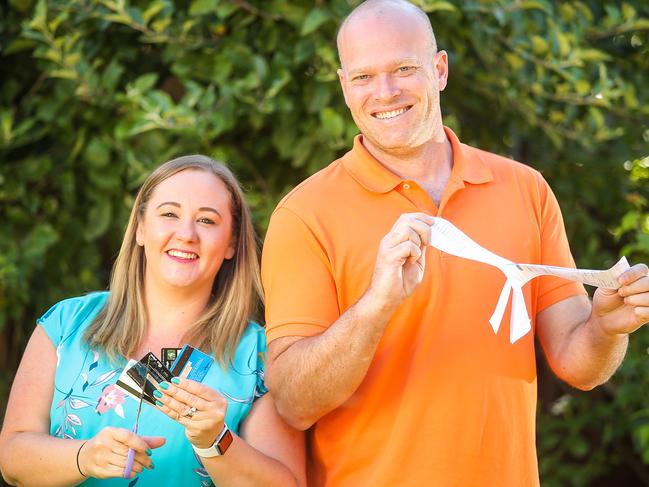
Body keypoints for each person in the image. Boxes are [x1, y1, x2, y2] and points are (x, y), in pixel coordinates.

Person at [260, 1, 649, 486]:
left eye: (403, 68)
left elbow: (578, 363)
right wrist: (377, 305)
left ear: (439, 69)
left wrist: (607, 327)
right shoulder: (304, 215)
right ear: (344, 86)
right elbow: (295, 403)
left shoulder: (524, 189)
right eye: (363, 77)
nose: (385, 92)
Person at [0, 155, 306, 486]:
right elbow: (12, 460)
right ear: (141, 228)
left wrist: (216, 441)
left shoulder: (258, 356)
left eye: (206, 221)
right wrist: (83, 457)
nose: (186, 234)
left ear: (231, 242)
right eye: (169, 214)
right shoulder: (67, 324)